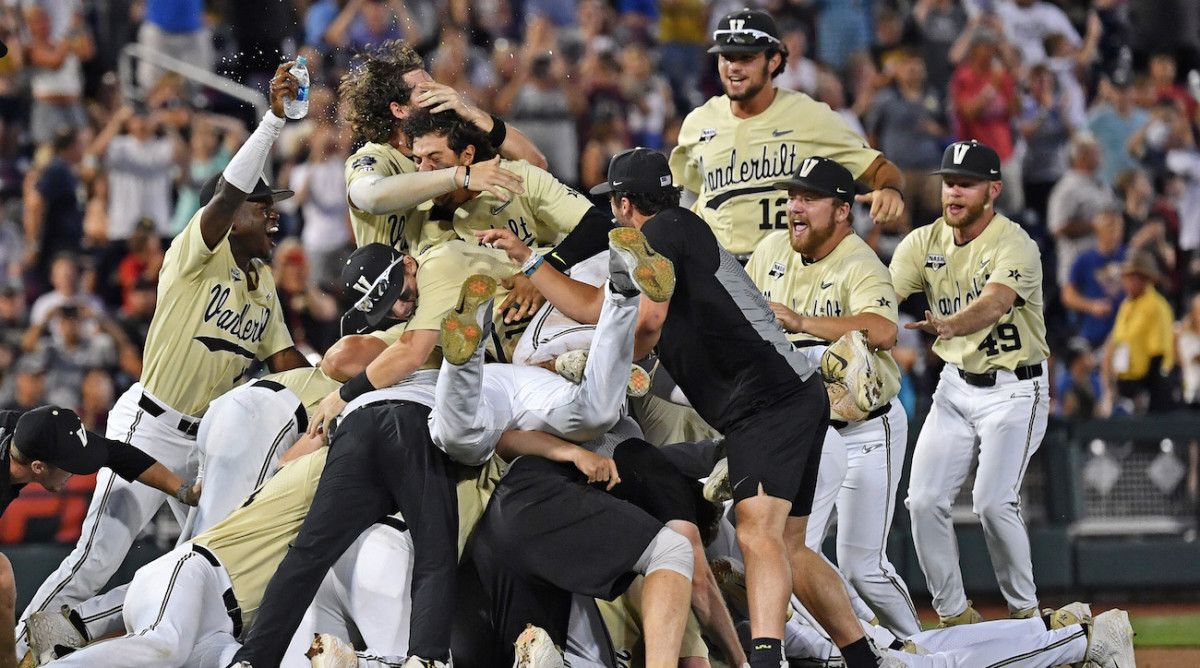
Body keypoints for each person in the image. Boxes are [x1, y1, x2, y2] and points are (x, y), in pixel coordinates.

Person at [481, 147, 888, 668]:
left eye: (614, 204)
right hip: (786, 394)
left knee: (755, 532)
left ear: (626, 204)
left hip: (764, 403)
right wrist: (530, 259)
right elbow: (597, 307)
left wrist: (598, 367)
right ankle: (861, 658)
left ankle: (765, 662)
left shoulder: (661, 233)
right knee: (789, 544)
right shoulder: (674, 229)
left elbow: (644, 327)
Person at [14, 64, 311, 657]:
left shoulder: (264, 285)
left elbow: (286, 363)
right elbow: (226, 195)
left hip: (206, 444)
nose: (273, 215)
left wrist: (345, 387)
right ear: (229, 218)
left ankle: (81, 636)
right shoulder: (194, 255)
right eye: (262, 206)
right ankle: (22, 647)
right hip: (148, 423)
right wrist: (274, 120)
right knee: (93, 561)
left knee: (195, 567)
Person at [744, 156, 920, 637]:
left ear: (842, 210)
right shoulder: (771, 250)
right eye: (791, 198)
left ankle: (918, 645)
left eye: (808, 199)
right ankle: (874, 644)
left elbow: (884, 330)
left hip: (866, 427)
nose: (794, 207)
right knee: (792, 551)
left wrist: (801, 323)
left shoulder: (859, 261)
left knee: (864, 565)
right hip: (807, 436)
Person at [889, 140, 1050, 625]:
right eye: (949, 182)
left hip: (1016, 389)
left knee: (993, 502)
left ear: (993, 190)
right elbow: (880, 296)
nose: (954, 191)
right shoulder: (922, 243)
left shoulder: (1014, 241)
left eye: (966, 183)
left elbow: (996, 302)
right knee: (922, 501)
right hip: (956, 386)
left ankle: (1026, 614)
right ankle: (955, 613)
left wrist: (951, 324)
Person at [669, 8, 905, 260]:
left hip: (787, 269)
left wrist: (889, 189)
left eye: (745, 58)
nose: (733, 67)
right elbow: (687, 191)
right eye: (726, 57)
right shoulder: (698, 122)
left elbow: (879, 168)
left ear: (773, 61)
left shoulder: (810, 116)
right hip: (719, 270)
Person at [1, 405, 200, 668]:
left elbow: (118, 455)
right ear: (37, 467)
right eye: (68, 465)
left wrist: (182, 491)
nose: (75, 473)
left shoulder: (32, 432)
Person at [338, 39, 543, 255]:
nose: (439, 94)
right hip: (398, 285)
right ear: (399, 110)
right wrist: (459, 175)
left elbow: (535, 163)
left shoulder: (453, 140)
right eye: (425, 91)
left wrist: (471, 112)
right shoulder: (374, 157)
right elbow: (372, 197)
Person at [1100, 251, 1176, 415]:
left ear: (1145, 278)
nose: (1127, 281)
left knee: (1147, 435)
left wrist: (1145, 390)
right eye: (1126, 276)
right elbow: (1117, 341)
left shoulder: (1156, 306)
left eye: (1133, 276)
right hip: (1126, 382)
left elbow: (1159, 354)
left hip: (1149, 384)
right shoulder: (1126, 305)